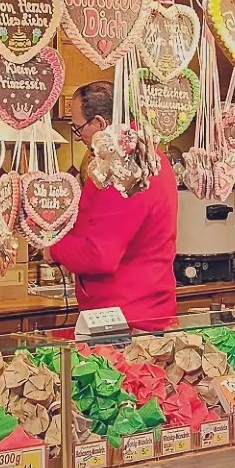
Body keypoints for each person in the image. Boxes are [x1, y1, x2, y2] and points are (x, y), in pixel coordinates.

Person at [50, 81, 178, 331]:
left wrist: (53, 249)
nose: (81, 138)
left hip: (125, 321)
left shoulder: (121, 169)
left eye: (79, 129)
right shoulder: (150, 157)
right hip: (148, 311)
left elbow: (99, 255)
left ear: (100, 123)